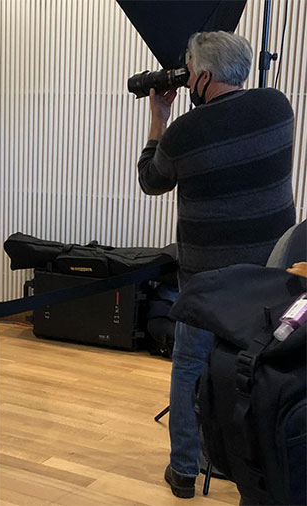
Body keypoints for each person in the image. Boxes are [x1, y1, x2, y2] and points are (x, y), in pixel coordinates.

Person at [136, 31, 296, 499]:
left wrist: (159, 117)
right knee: (261, 368)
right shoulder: (277, 108)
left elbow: (150, 180)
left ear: (202, 75)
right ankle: (254, 462)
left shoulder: (186, 131)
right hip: (270, 278)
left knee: (190, 365)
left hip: (206, 283)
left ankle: (185, 470)